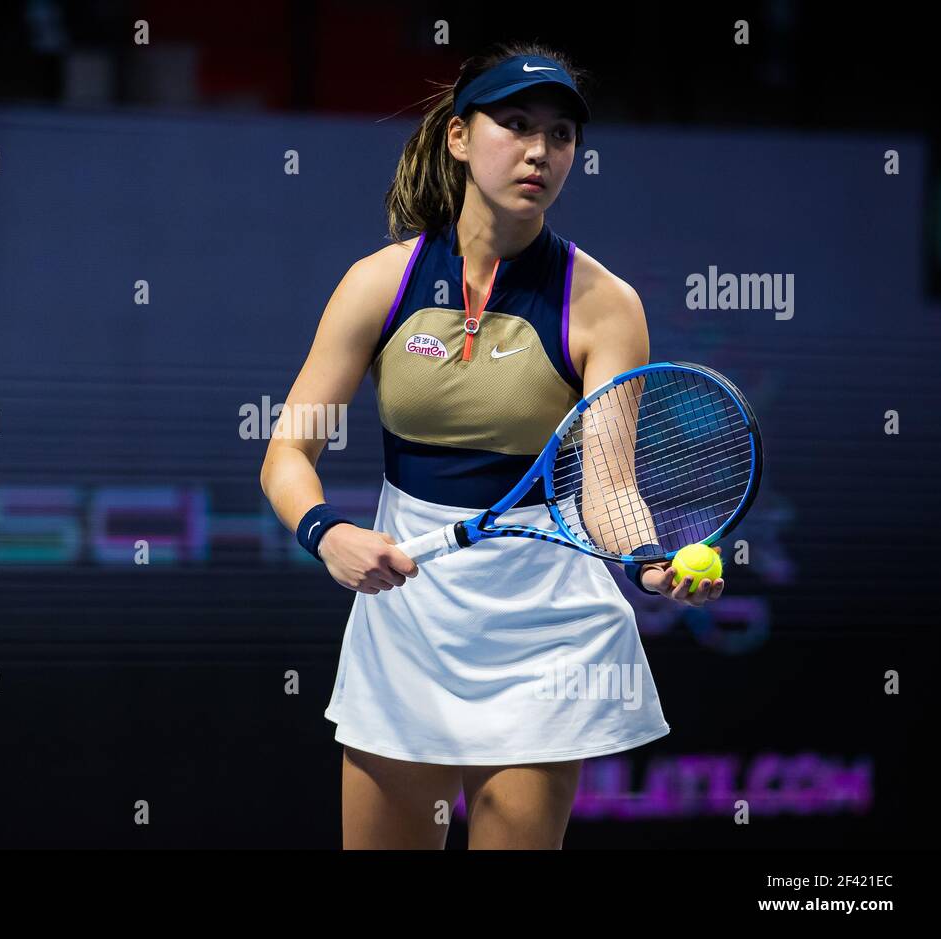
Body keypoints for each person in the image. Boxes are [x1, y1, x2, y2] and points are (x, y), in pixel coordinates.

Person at [259, 41, 726, 850]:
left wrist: (648, 557)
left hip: (546, 627)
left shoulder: (605, 304)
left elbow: (608, 482)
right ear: (459, 137)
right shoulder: (381, 282)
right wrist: (324, 533)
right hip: (406, 620)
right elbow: (286, 455)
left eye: (561, 134)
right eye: (515, 124)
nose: (540, 151)